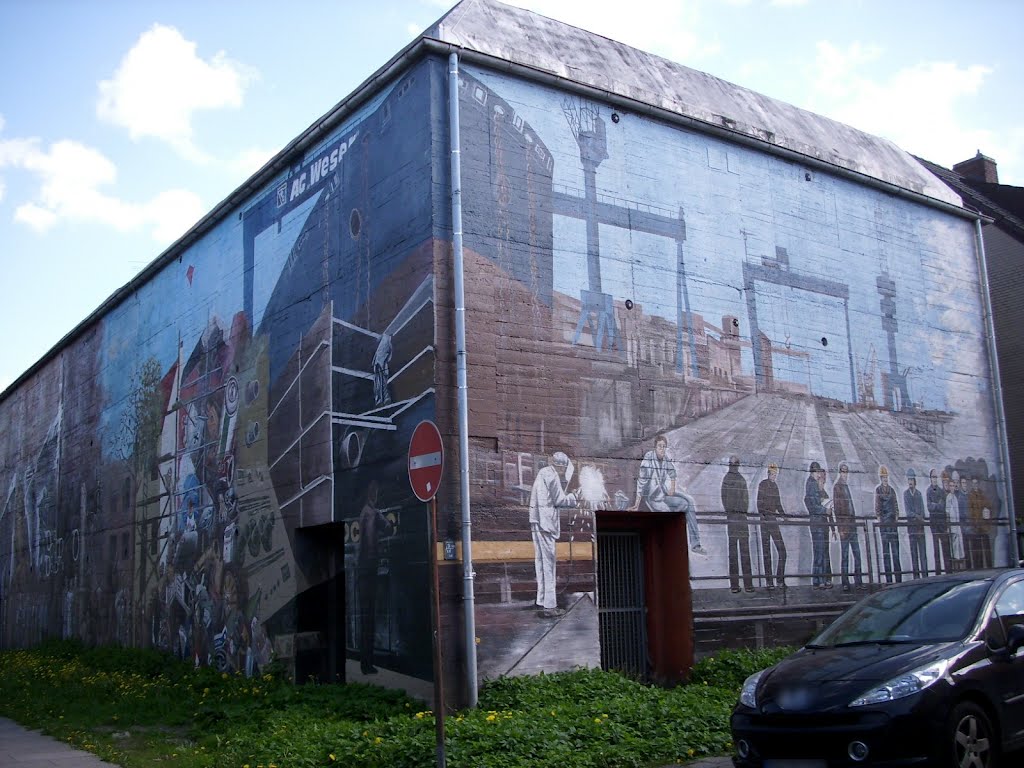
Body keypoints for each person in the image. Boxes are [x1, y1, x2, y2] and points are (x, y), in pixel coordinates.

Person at [630, 434, 706, 555]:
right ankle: (671, 546)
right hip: (653, 498)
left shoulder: (665, 459)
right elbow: (641, 482)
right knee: (668, 512)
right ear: (655, 447)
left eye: (664, 446)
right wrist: (636, 505)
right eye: (660, 446)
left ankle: (695, 544)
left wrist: (672, 488)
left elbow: (672, 472)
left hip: (664, 493)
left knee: (689, 502)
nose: (662, 449)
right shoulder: (648, 459)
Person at [529, 452, 579, 617]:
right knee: (549, 565)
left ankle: (541, 600)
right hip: (546, 523)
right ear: (561, 465)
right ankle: (550, 606)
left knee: (541, 563)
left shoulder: (543, 472)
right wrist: (574, 497)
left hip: (536, 521)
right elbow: (560, 501)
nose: (564, 470)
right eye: (564, 467)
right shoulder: (552, 476)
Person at [357, 481, 394, 674]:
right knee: (369, 618)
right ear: (371, 493)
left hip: (362, 569)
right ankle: (367, 664)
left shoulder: (364, 512)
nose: (377, 495)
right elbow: (385, 530)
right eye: (375, 492)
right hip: (368, 569)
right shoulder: (371, 513)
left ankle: (365, 662)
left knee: (365, 618)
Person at [721, 456, 753, 593]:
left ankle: (734, 585)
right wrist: (742, 511)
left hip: (732, 519)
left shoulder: (726, 480)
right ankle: (748, 585)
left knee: (733, 553)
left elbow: (724, 498)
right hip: (741, 519)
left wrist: (729, 511)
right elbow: (746, 499)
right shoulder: (741, 479)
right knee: (745, 552)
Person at [756, 463, 787, 591]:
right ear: (768, 474)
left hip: (772, 520)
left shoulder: (775, 486)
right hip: (765, 521)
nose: (774, 477)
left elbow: (778, 503)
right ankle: (769, 582)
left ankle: (780, 580)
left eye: (775, 474)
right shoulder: (763, 484)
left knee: (782, 551)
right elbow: (759, 503)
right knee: (767, 552)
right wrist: (763, 516)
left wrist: (784, 515)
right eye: (772, 474)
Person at [832, 463, 863, 591]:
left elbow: (850, 507)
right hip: (845, 527)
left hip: (852, 526)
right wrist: (840, 529)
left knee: (857, 554)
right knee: (845, 555)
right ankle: (845, 582)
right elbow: (838, 510)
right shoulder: (838, 487)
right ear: (840, 472)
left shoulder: (845, 486)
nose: (845, 474)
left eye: (846, 472)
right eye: (843, 472)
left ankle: (859, 581)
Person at [804, 461, 834, 589]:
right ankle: (819, 580)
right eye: (817, 472)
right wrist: (825, 510)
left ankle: (819, 580)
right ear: (813, 472)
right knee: (820, 551)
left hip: (821, 523)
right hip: (817, 522)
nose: (819, 475)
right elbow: (812, 505)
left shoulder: (814, 484)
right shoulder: (811, 484)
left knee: (821, 551)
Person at [875, 466, 902, 583]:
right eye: (883, 477)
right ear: (881, 478)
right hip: (884, 526)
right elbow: (877, 507)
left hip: (892, 525)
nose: (885, 479)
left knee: (896, 553)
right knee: (886, 554)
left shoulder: (892, 490)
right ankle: (889, 580)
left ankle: (898, 579)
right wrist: (881, 520)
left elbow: (895, 505)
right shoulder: (878, 490)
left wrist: (896, 515)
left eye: (886, 477)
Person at [926, 469, 952, 574]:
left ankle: (948, 571)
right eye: (933, 477)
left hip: (942, 522)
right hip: (934, 523)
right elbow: (929, 507)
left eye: (936, 477)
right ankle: (938, 572)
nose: (935, 479)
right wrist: (936, 505)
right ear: (930, 478)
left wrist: (935, 504)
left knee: (945, 549)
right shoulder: (928, 491)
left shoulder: (941, 491)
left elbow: (942, 506)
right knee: (936, 550)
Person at [903, 468, 927, 579]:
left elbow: (922, 510)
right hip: (912, 529)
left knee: (923, 554)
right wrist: (917, 516)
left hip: (920, 528)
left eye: (912, 479)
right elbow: (908, 512)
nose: (910, 481)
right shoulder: (906, 494)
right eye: (909, 479)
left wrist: (920, 516)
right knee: (914, 554)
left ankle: (925, 576)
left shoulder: (919, 494)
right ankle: (917, 577)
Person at [967, 477, 994, 569]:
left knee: (987, 550)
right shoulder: (970, 496)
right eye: (973, 483)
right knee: (977, 551)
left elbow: (988, 506)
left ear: (978, 484)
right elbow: (969, 511)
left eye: (976, 483)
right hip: (975, 528)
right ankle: (979, 568)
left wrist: (987, 513)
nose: (975, 485)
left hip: (984, 527)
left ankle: (989, 567)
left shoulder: (982, 495)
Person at [945, 472, 965, 569]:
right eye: (951, 486)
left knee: (959, 545)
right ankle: (955, 565)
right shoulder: (948, 497)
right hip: (953, 526)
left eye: (953, 486)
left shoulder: (955, 497)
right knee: (954, 546)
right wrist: (949, 526)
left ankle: (959, 564)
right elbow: (948, 512)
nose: (952, 487)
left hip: (957, 525)